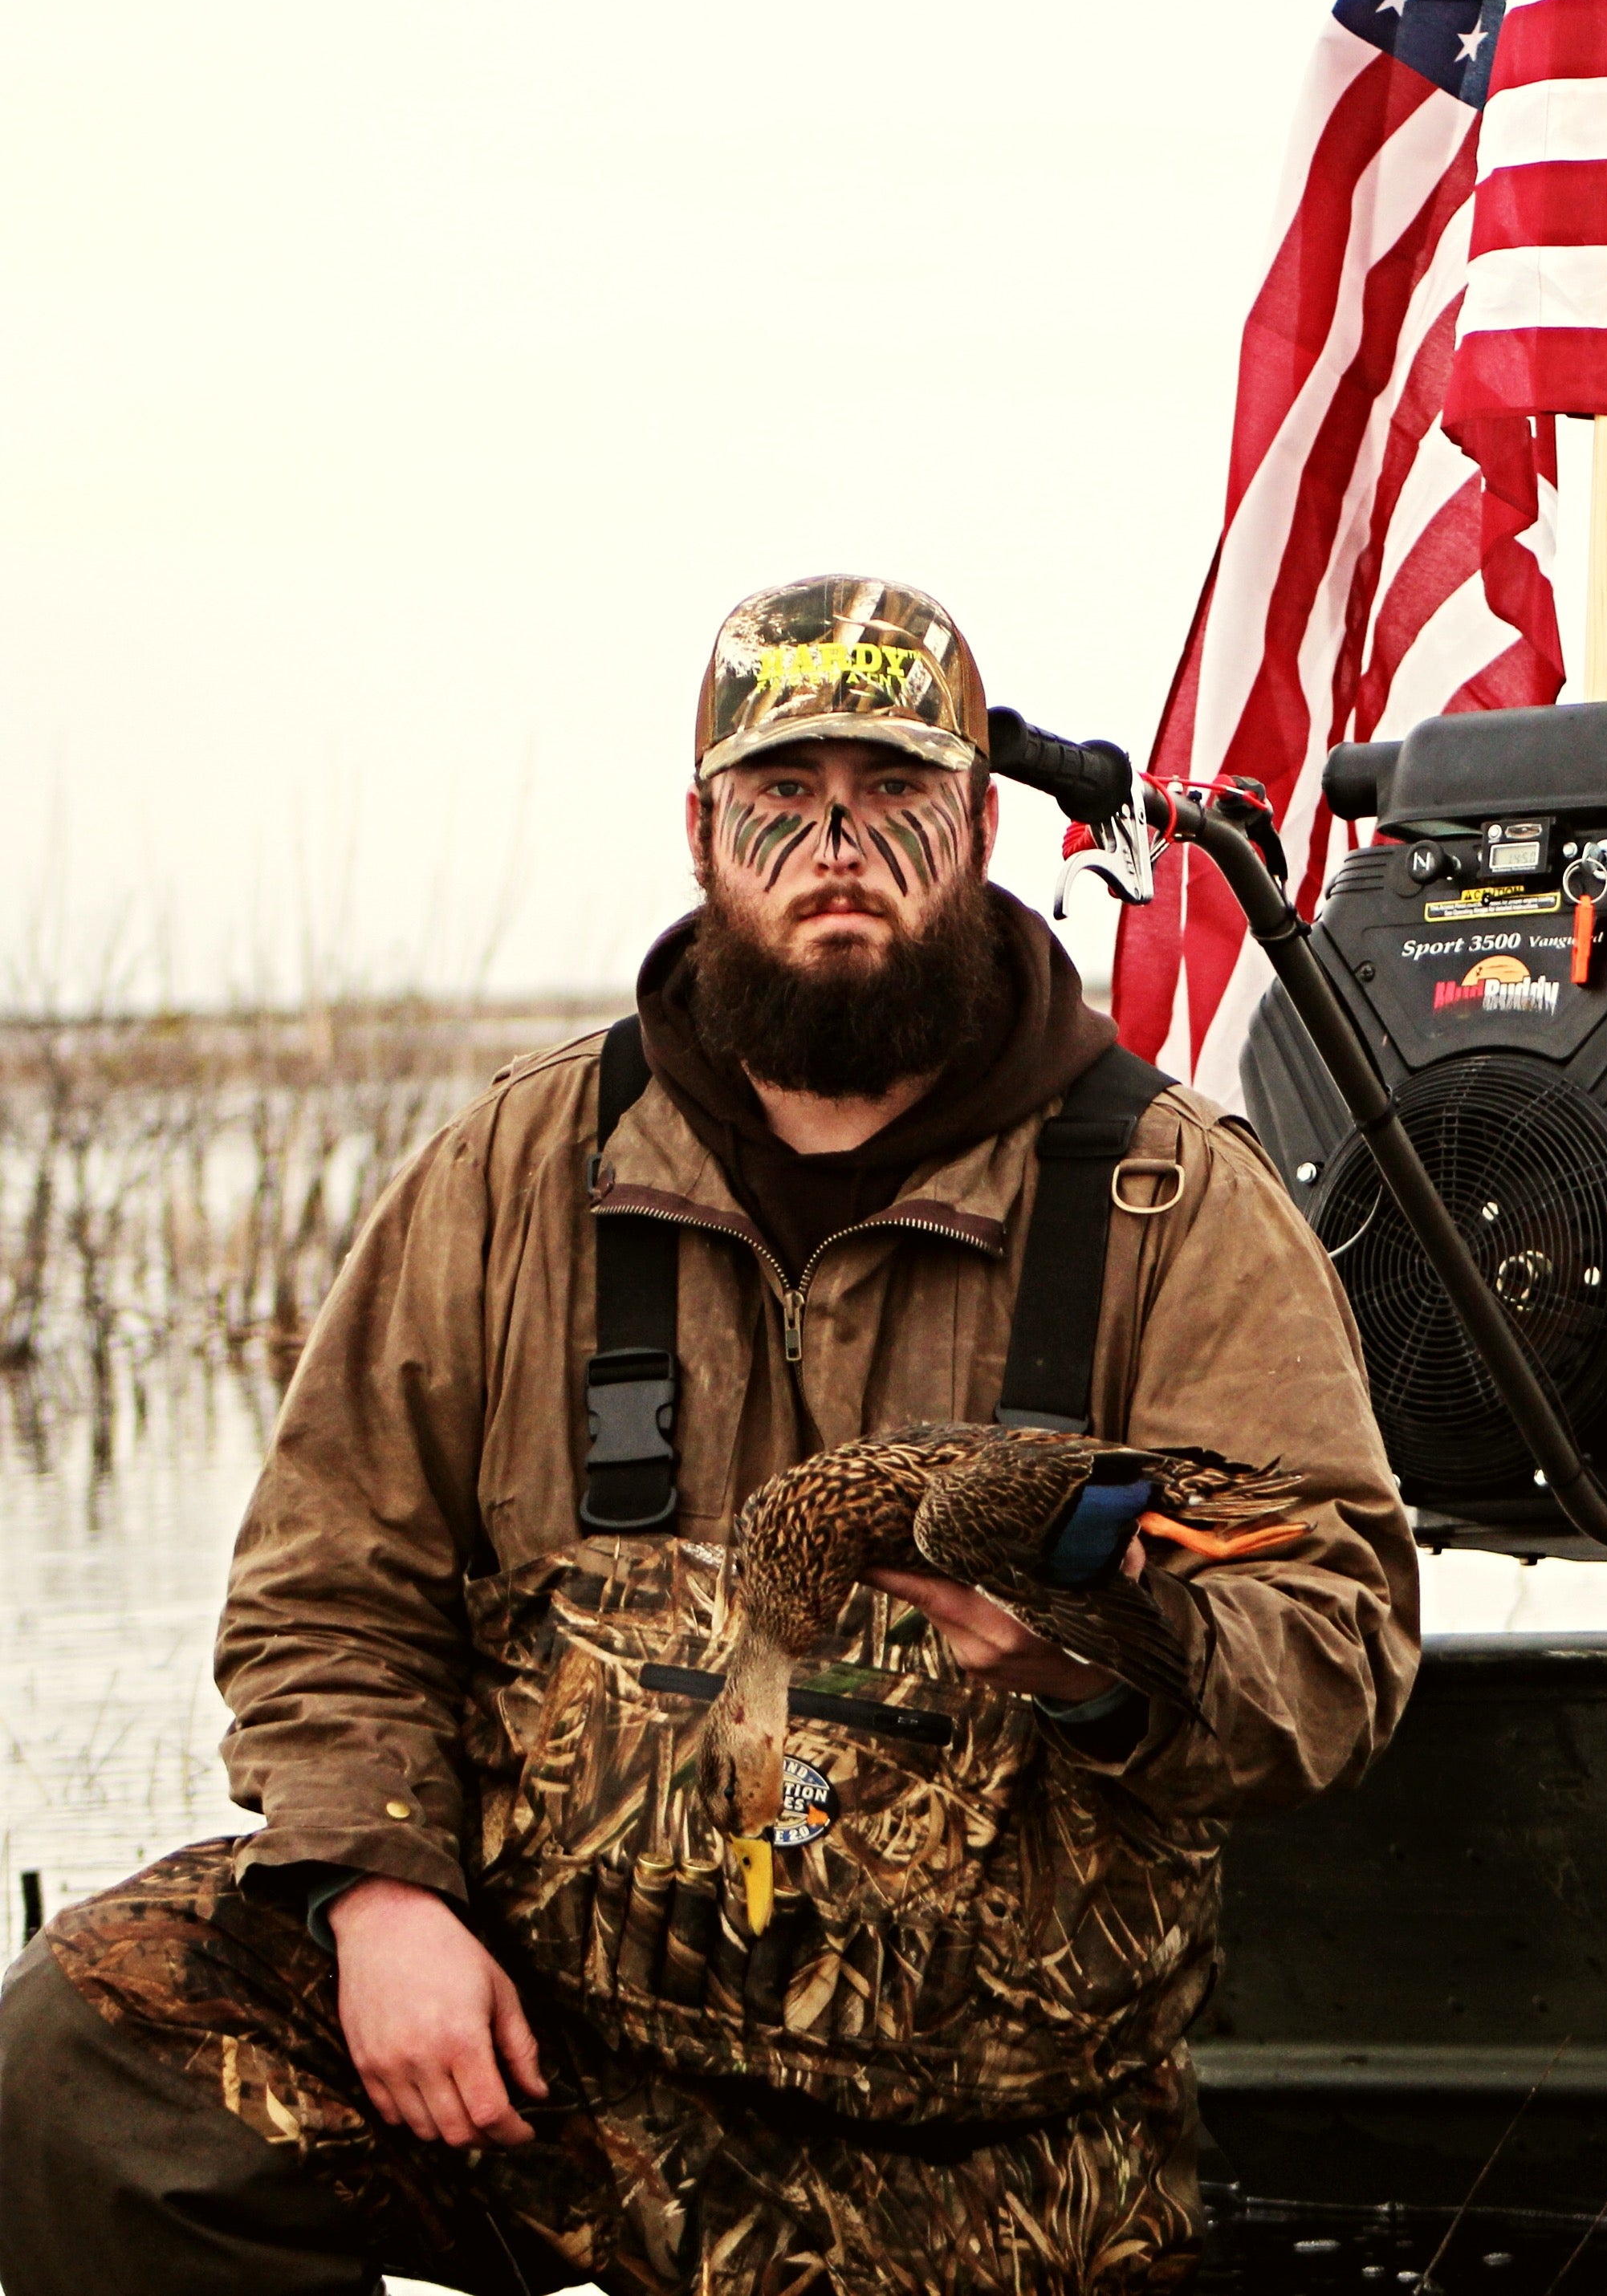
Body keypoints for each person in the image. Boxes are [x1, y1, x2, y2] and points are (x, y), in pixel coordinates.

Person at [0, 578, 1418, 2292]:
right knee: (90, 2052)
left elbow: (1338, 1640)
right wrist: (381, 1896)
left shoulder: (1172, 1198)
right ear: (701, 835)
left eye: (897, 795)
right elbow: (329, 1603)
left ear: (977, 825)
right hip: (567, 2060)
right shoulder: (510, 1175)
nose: (840, 845)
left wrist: (1102, 1655)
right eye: (781, 800)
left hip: (981, 2142)